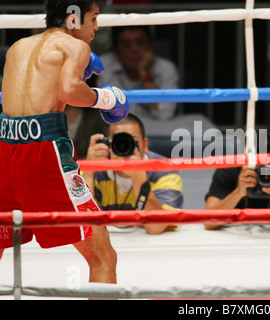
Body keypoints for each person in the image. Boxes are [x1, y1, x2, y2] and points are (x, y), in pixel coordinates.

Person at [0, 0, 132, 284]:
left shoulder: (18, 47)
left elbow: (31, 95)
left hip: (5, 146)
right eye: (93, 18)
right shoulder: (75, 47)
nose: (96, 27)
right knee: (102, 255)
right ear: (73, 17)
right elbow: (69, 90)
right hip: (44, 150)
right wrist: (104, 98)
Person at [84, 113, 183, 235]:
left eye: (133, 141)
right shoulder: (92, 172)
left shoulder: (164, 171)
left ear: (145, 145)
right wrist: (89, 170)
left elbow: (156, 228)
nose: (125, 146)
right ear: (106, 144)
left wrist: (138, 177)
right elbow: (83, 222)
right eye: (118, 141)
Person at [97, 25, 179, 133]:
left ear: (151, 46)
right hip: (116, 131)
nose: (134, 49)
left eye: (140, 42)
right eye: (126, 45)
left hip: (156, 133)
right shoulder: (103, 67)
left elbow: (164, 114)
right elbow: (103, 114)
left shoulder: (166, 69)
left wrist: (145, 73)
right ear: (116, 51)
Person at [203, 165, 270, 230]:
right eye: (259, 168)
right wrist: (237, 193)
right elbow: (208, 223)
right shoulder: (231, 170)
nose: (264, 174)